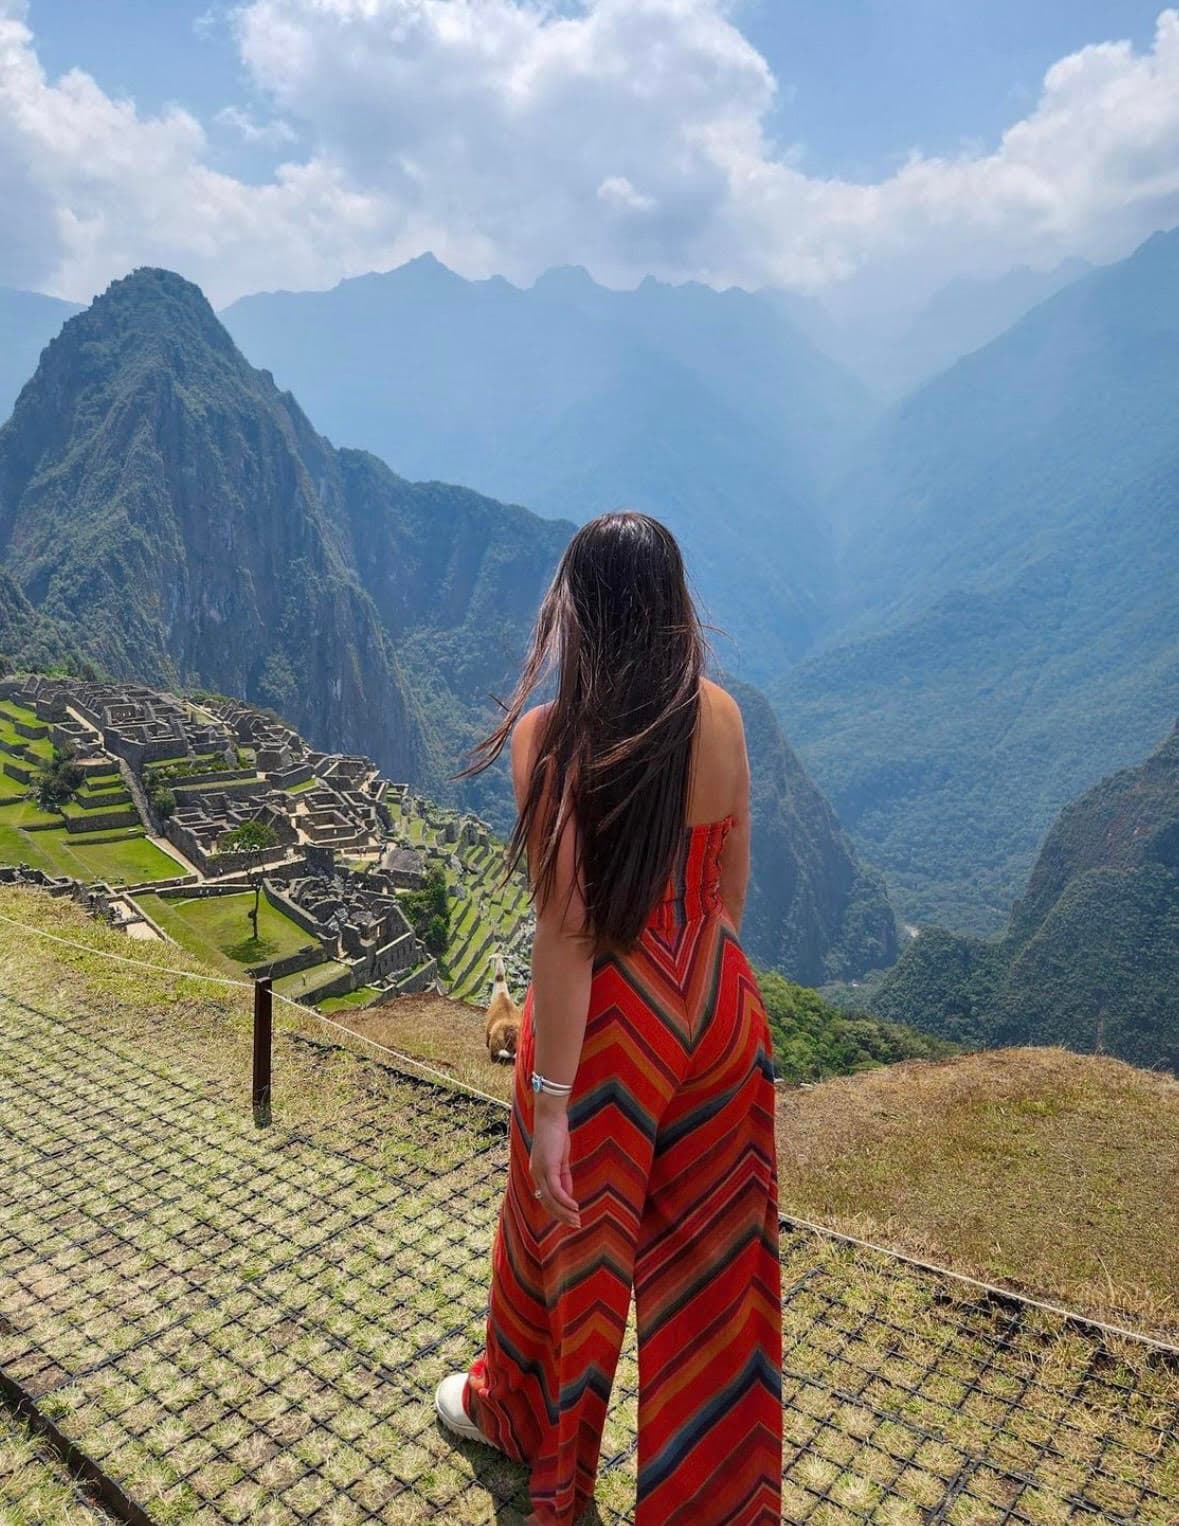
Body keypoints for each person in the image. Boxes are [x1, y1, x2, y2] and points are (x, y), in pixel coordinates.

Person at [435, 511, 782, 1525]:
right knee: (719, 1276)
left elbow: (567, 934)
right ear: (675, 607)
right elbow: (730, 889)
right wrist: (695, 993)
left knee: (567, 1253)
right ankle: (709, 1501)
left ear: (575, 614)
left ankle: (526, 1427)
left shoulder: (549, 740)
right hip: (717, 1006)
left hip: (607, 1033)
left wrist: (550, 1105)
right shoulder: (722, 714)